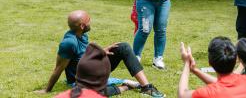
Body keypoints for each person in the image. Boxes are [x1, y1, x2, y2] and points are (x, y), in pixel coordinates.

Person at [34, 10, 164, 97]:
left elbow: (84, 55)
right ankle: (125, 87)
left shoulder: (82, 36)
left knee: (123, 47)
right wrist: (47, 90)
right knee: (94, 93)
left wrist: (102, 51)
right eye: (88, 20)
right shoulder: (68, 43)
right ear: (82, 26)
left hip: (93, 68)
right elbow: (58, 69)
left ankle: (146, 86)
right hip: (81, 80)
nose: (91, 21)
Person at [178, 36, 246, 98]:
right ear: (235, 61)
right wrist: (195, 70)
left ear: (210, 62)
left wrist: (186, 64)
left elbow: (182, 94)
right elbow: (223, 85)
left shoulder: (209, 93)